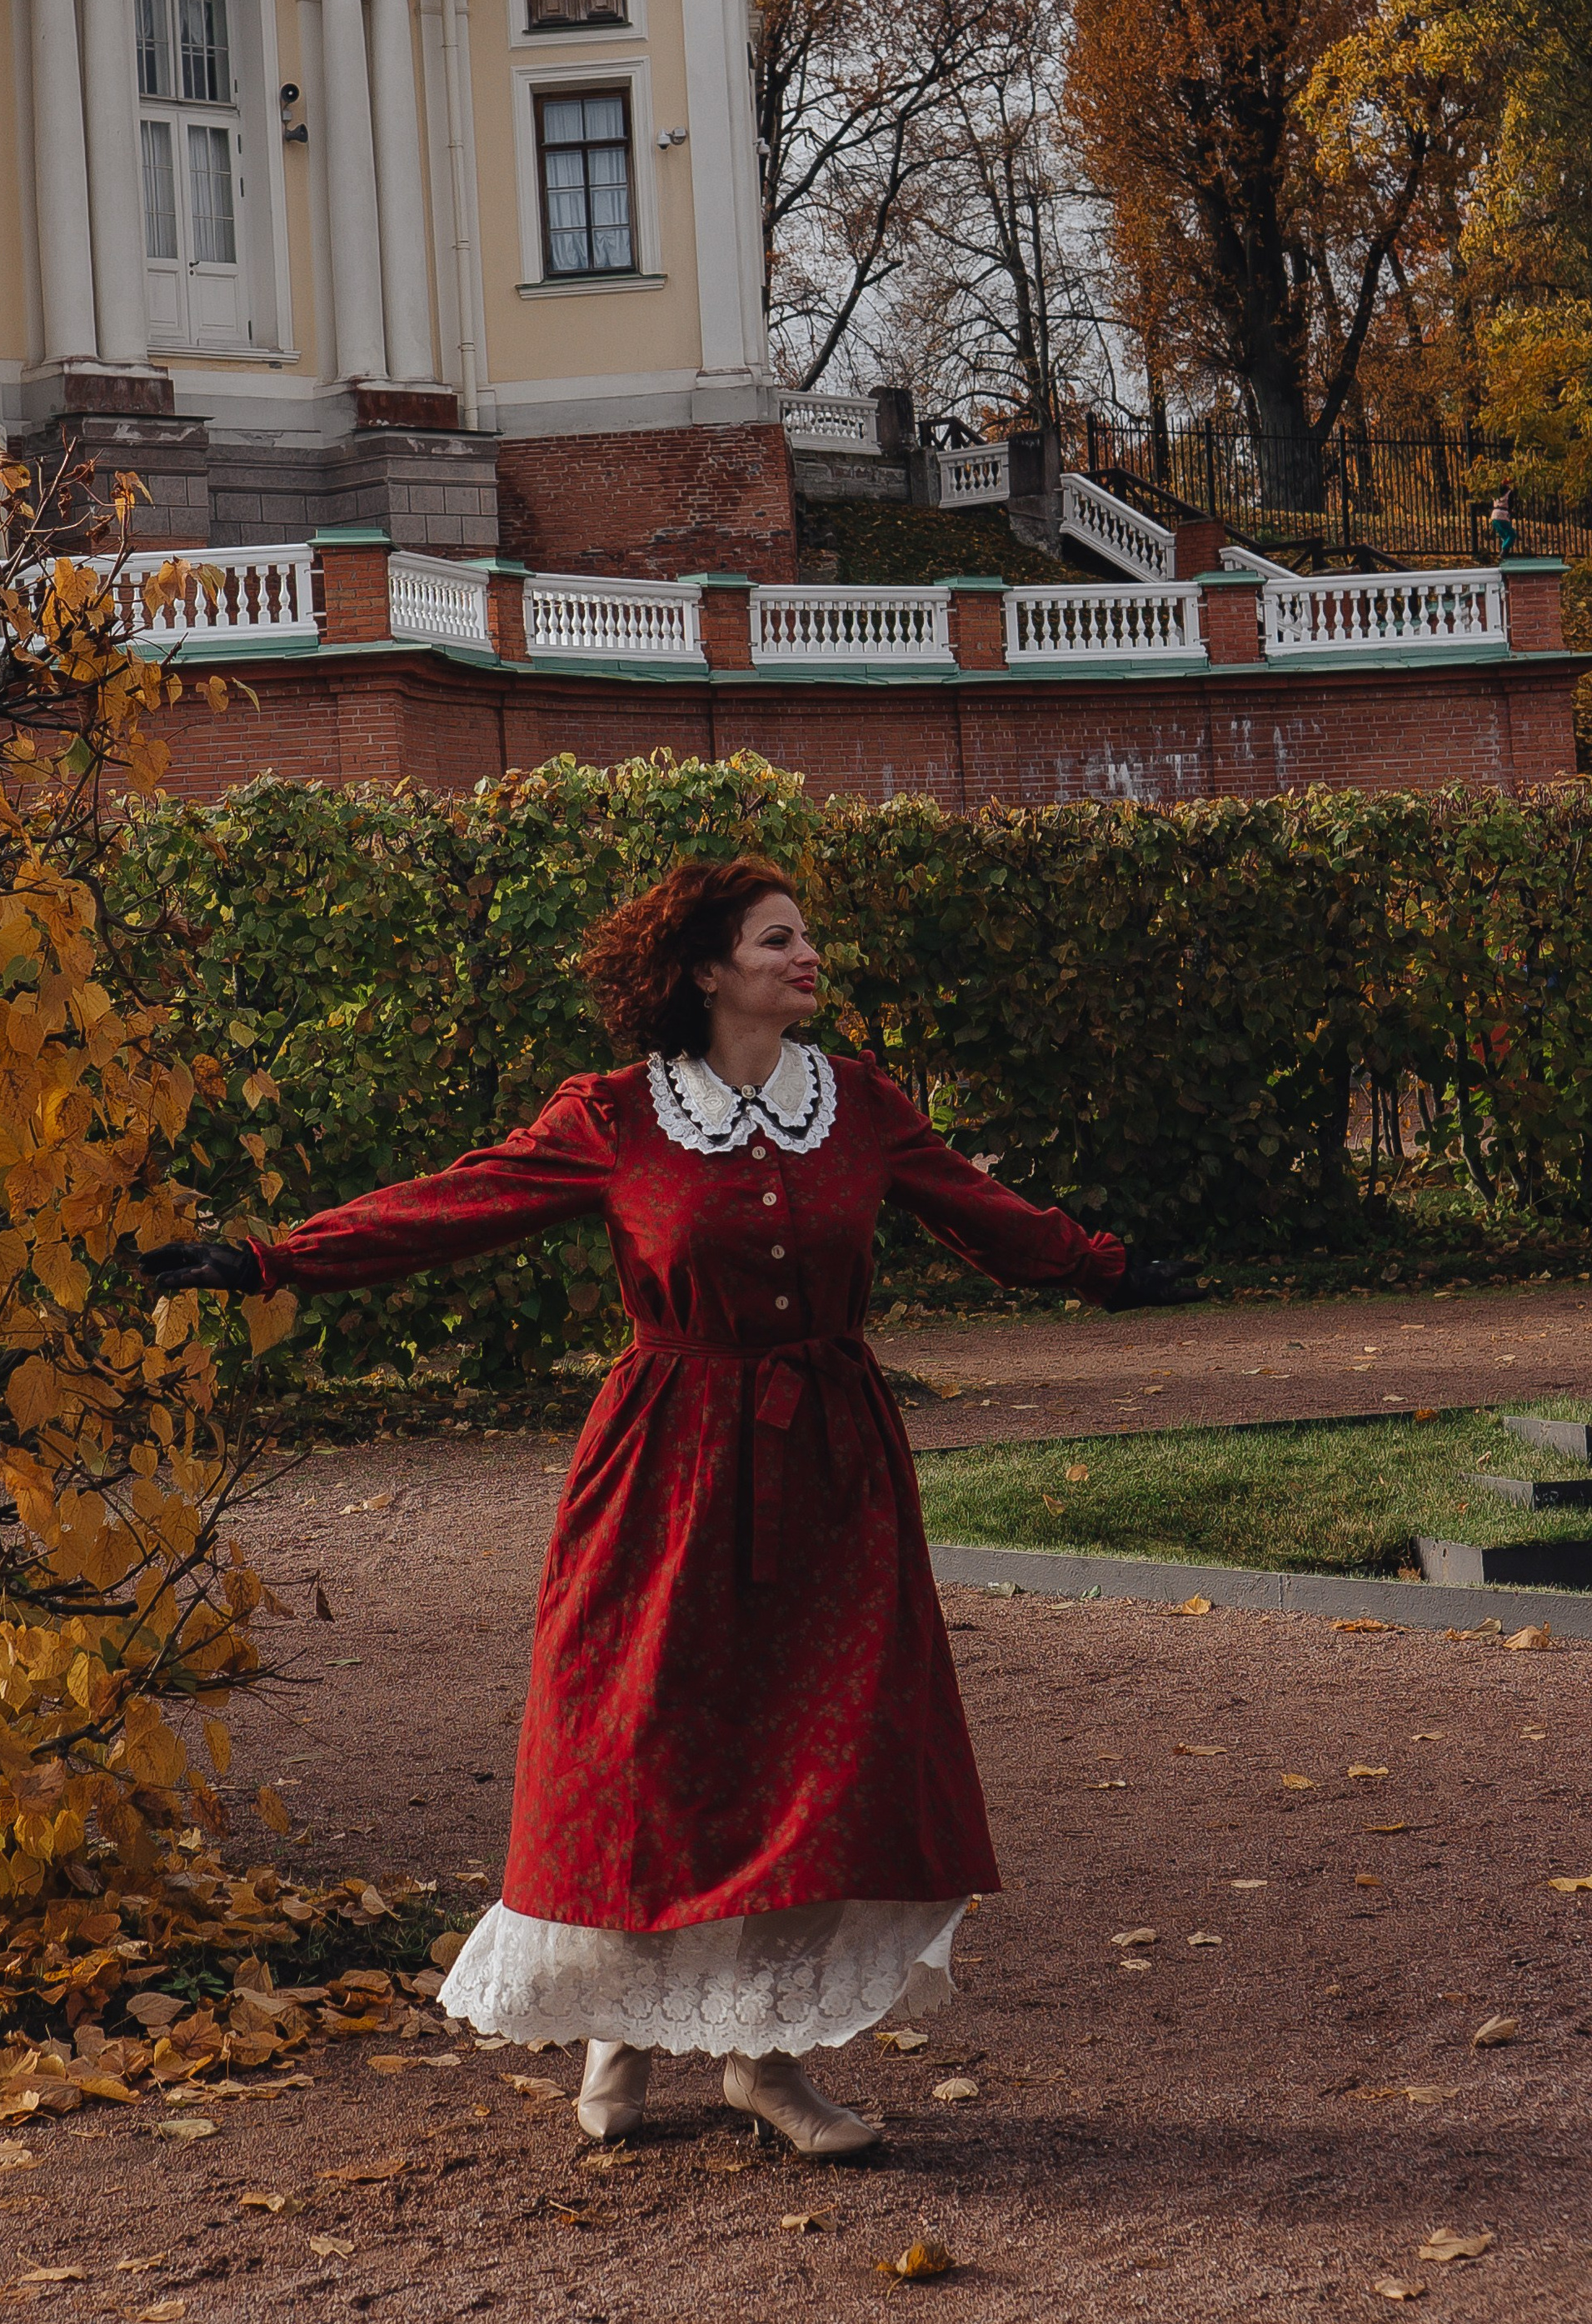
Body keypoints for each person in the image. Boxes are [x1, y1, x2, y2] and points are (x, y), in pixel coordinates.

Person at [144, 859, 1195, 2158]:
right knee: (641, 1745)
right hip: (667, 1462)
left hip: (832, 1468)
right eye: (776, 940)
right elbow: (452, 1207)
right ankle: (621, 2027)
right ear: (705, 971)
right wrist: (267, 1259)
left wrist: (1107, 1271)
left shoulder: (857, 1105)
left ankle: (766, 2058)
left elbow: (986, 1217)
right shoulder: (616, 1116)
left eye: (806, 936)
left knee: (811, 1760)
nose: (807, 956)